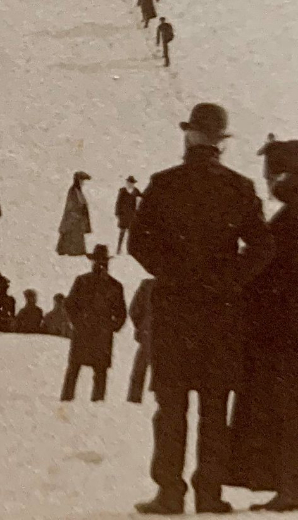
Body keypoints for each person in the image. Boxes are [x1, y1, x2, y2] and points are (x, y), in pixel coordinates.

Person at [128, 103, 274, 515]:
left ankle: (169, 493)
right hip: (221, 315)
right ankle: (209, 494)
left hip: (175, 312)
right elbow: (263, 247)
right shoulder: (240, 188)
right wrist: (229, 279)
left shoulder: (163, 184)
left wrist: (173, 275)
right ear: (220, 143)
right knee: (214, 408)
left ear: (190, 136)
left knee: (170, 408)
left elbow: (139, 243)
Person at [228, 138, 298, 511]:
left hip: (284, 334)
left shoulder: (286, 221)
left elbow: (269, 278)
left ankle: (290, 489)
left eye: (270, 173)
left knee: (287, 413)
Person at [60, 245, 126, 402]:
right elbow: (70, 305)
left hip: (91, 332)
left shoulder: (89, 281)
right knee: (89, 371)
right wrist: (111, 326)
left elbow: (121, 313)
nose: (101, 264)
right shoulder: (109, 284)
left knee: (83, 370)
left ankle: (71, 399)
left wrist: (78, 322)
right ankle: (90, 401)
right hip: (95, 332)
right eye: (100, 261)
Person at [127, 278, 154, 404]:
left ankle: (134, 397)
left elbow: (134, 310)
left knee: (140, 368)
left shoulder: (147, 285)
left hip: (148, 333)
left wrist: (141, 327)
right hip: (169, 337)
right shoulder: (178, 285)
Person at [57, 171, 92, 257]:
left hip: (78, 219)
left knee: (77, 234)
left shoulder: (78, 191)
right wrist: (76, 214)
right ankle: (71, 251)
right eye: (81, 180)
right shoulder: (73, 191)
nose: (82, 183)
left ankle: (76, 250)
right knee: (71, 234)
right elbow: (71, 205)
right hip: (73, 218)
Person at [116, 177, 142, 253]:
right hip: (123, 214)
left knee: (131, 233)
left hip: (131, 214)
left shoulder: (136, 191)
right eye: (129, 183)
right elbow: (118, 202)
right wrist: (117, 213)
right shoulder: (123, 191)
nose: (130, 184)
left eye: (132, 183)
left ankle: (129, 249)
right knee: (122, 232)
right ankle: (119, 248)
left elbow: (142, 197)